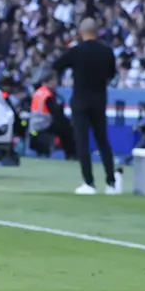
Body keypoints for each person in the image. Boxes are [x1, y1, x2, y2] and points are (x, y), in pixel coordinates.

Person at [52, 18, 120, 195]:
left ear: (81, 32)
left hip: (80, 99)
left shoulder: (77, 51)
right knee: (102, 140)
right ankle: (111, 182)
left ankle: (89, 182)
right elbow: (112, 74)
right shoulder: (106, 51)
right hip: (99, 99)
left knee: (82, 141)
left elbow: (57, 65)